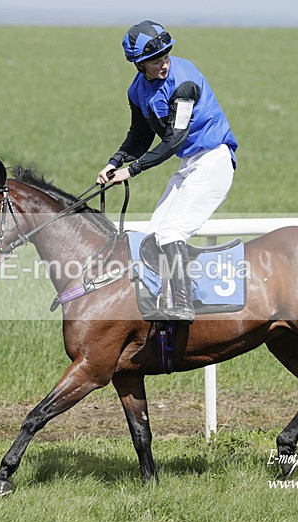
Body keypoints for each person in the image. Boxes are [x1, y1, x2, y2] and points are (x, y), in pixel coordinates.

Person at [97, 20, 238, 323]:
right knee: (153, 236)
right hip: (190, 165)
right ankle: (165, 298)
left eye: (165, 56)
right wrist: (114, 162)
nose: (163, 64)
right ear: (139, 65)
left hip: (213, 160)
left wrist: (132, 170)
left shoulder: (184, 81)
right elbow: (139, 136)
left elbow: (175, 140)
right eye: (154, 61)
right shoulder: (137, 90)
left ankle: (184, 305)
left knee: (172, 232)